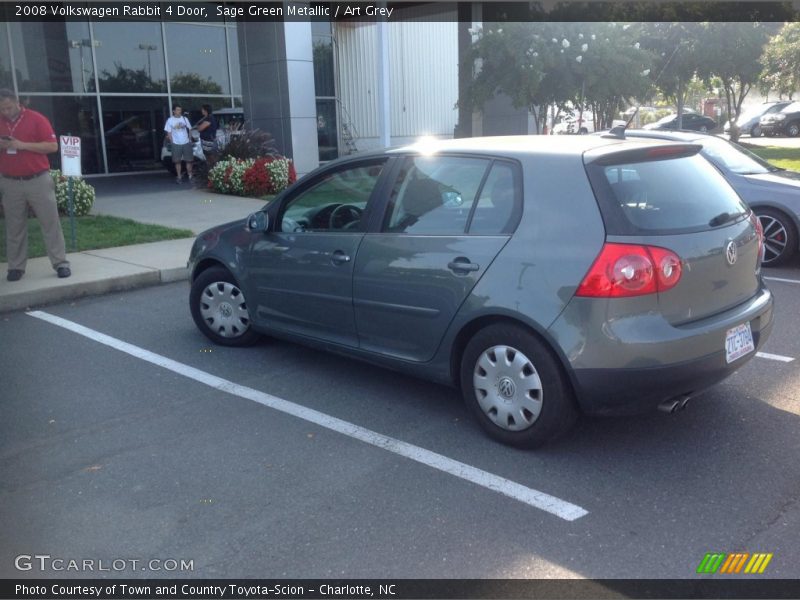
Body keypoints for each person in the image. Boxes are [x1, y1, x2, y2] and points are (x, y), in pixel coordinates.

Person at [0, 88, 70, 281]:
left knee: (50, 222)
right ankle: (15, 267)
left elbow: (52, 146)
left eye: (7, 107)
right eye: (1, 109)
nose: (5, 112)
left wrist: (21, 145)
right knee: (14, 225)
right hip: (10, 181)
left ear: (16, 102)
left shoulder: (36, 119)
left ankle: (60, 262)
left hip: (37, 179)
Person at [164, 104, 193, 183]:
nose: (179, 111)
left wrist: (189, 139)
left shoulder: (185, 119)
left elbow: (190, 129)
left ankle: (190, 175)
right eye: (177, 110)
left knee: (189, 160)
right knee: (177, 161)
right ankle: (179, 176)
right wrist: (172, 142)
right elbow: (168, 132)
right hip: (176, 143)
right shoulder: (170, 120)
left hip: (186, 142)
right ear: (173, 111)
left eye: (180, 110)